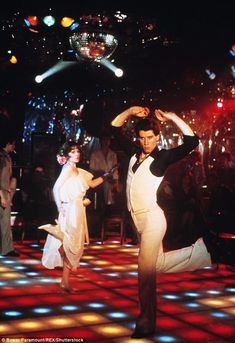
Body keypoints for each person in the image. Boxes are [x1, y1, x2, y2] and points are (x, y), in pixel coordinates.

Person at [111, 106, 235, 339]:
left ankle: (146, 321)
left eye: (150, 138)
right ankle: (206, 251)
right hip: (139, 222)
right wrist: (128, 112)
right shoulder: (132, 154)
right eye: (142, 138)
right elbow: (113, 128)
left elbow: (191, 140)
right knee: (155, 266)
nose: (146, 142)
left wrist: (171, 117)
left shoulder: (162, 157)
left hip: (153, 220)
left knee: (144, 273)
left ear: (157, 137)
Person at [38, 140, 116, 293]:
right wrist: (61, 206)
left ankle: (64, 279)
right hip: (71, 210)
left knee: (72, 244)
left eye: (77, 151)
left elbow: (92, 184)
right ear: (66, 154)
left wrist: (107, 175)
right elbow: (56, 188)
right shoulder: (68, 168)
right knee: (72, 244)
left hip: (77, 208)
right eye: (73, 152)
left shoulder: (77, 170)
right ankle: (64, 279)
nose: (77, 154)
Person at [89, 134, 119, 212]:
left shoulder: (113, 154)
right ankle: (105, 208)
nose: (106, 142)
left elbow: (115, 169)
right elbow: (91, 170)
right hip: (99, 179)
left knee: (110, 187)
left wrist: (116, 181)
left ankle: (109, 208)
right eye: (104, 140)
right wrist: (101, 174)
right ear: (101, 141)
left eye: (107, 140)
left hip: (109, 180)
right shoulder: (95, 154)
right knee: (105, 186)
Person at [0, 135, 19, 257]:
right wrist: (2, 196)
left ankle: (7, 249)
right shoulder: (2, 157)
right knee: (4, 222)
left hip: (5, 192)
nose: (14, 147)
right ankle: (6, 249)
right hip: (2, 192)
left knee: (5, 223)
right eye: (13, 144)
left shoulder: (7, 157)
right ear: (7, 144)